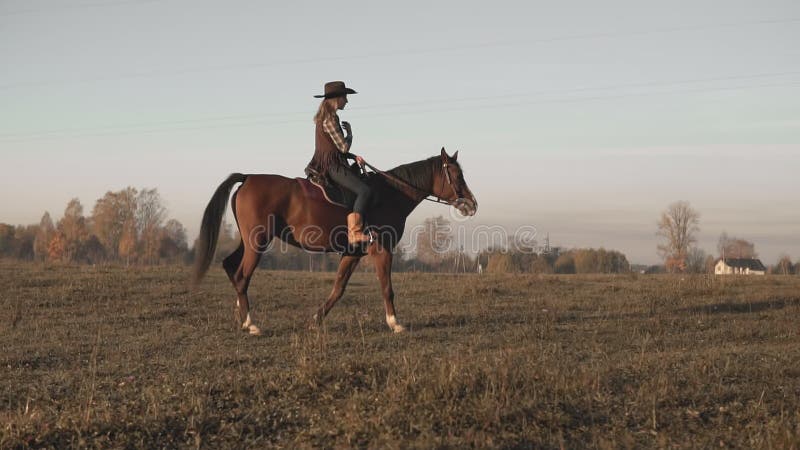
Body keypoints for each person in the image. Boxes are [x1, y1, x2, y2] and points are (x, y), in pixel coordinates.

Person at [308, 81, 373, 244]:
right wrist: (350, 134)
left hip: (328, 162)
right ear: (337, 98)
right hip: (332, 166)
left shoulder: (324, 117)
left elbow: (334, 148)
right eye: (345, 97)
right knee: (364, 191)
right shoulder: (330, 118)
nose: (347, 101)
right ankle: (354, 233)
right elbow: (343, 147)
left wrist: (353, 156)